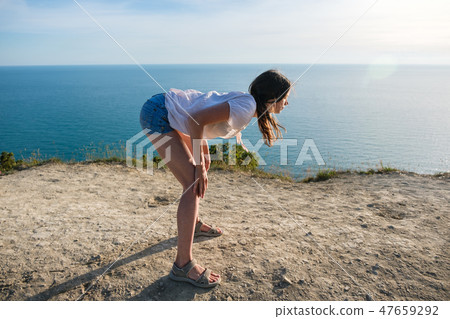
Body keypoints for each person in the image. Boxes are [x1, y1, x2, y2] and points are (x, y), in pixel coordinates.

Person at [139, 69, 291, 288]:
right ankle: (183, 266)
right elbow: (196, 119)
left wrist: (203, 151)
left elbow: (200, 115)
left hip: (167, 109)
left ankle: (195, 224)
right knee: (193, 182)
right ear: (272, 97)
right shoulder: (247, 106)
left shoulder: (249, 104)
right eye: (285, 97)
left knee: (195, 178)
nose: (286, 103)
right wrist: (200, 165)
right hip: (160, 113)